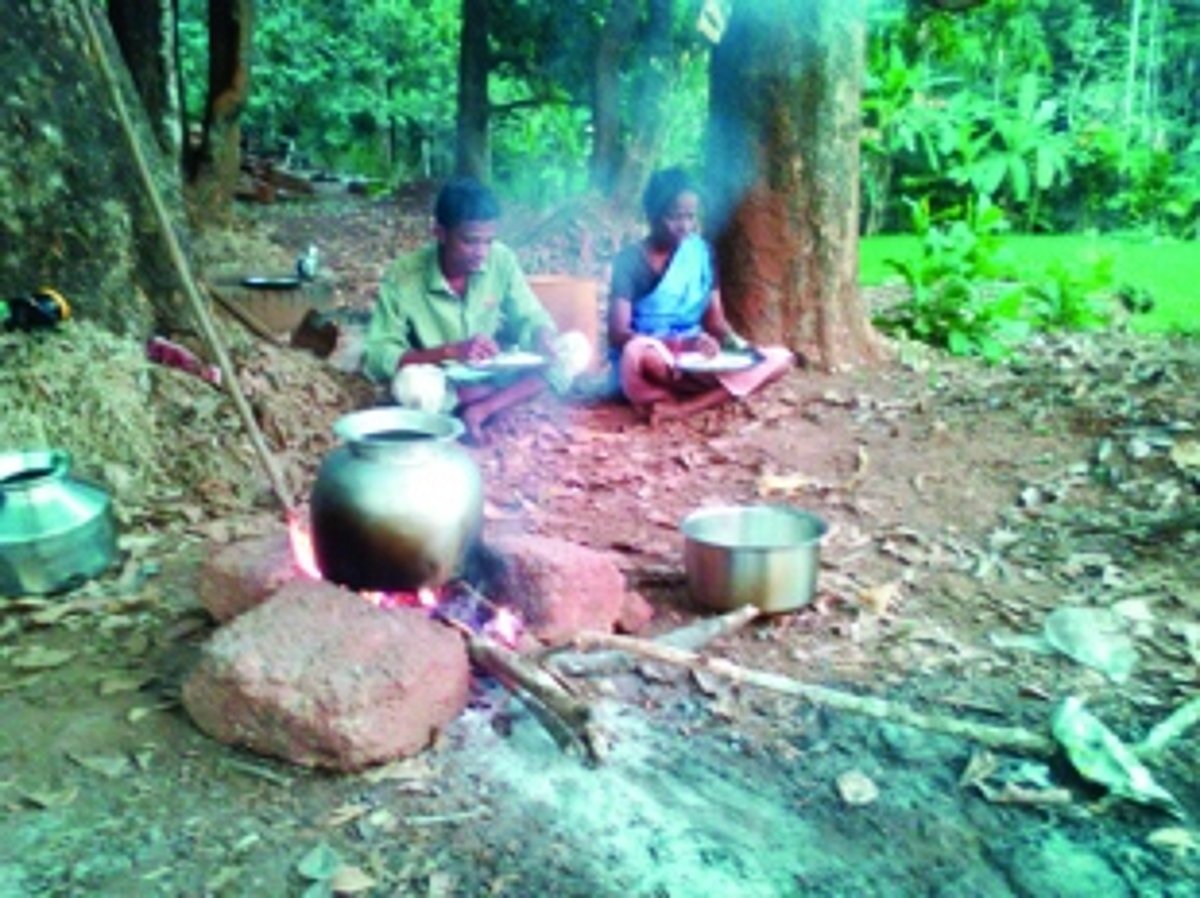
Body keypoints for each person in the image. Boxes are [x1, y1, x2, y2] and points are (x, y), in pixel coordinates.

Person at [362, 177, 589, 444]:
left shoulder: (501, 260)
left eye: (488, 241)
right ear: (440, 233)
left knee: (576, 347)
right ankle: (477, 400)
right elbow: (378, 355)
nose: (481, 252)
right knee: (413, 388)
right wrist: (449, 352)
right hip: (443, 379)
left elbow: (531, 315)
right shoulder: (404, 276)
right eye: (470, 241)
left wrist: (541, 335)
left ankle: (484, 407)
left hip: (496, 372)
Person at [607, 167, 793, 425]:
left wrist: (740, 348)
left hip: (695, 359)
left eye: (691, 217)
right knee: (636, 353)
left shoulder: (701, 254)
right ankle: (670, 393)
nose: (684, 226)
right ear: (652, 214)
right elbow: (618, 333)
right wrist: (675, 345)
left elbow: (715, 322)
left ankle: (684, 408)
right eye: (674, 216)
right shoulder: (630, 261)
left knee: (780, 358)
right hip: (652, 357)